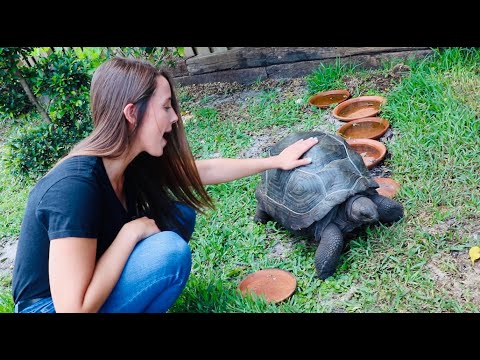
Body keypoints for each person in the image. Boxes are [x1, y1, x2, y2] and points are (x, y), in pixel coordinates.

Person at [11, 56, 318, 313]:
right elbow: (72, 309)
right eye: (166, 106)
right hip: (49, 306)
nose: (174, 118)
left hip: (89, 282)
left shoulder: (126, 161)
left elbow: (201, 170)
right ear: (132, 113)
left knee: (179, 214)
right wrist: (130, 234)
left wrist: (274, 161)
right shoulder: (74, 187)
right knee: (168, 251)